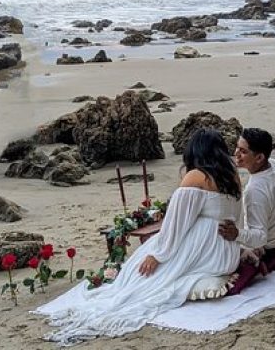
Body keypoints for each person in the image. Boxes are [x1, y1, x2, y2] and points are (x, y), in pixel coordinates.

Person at [39, 128, 243, 346]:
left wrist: (158, 255)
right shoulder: (234, 178)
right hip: (225, 252)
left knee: (140, 268)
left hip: (205, 248)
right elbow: (238, 217)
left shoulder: (197, 176)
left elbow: (177, 225)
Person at [218, 127, 275, 295]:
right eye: (237, 147)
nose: (236, 153)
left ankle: (268, 263)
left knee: (230, 258)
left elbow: (260, 238)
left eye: (243, 151)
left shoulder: (255, 190)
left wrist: (236, 234)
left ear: (259, 157)